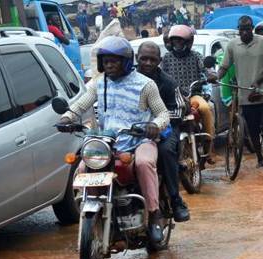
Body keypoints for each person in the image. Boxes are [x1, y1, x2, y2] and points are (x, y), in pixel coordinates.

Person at [59, 36, 189, 239]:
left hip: (139, 141)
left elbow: (163, 114)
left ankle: (154, 214)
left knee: (145, 163)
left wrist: (154, 126)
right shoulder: (98, 83)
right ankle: (91, 212)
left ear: (126, 61)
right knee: (83, 167)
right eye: (106, 61)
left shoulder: (145, 85)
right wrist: (67, 117)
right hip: (108, 143)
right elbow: (82, 103)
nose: (109, 65)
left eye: (114, 61)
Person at [135, 42, 189, 222]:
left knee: (165, 151)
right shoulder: (127, 80)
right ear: (137, 59)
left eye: (153, 59)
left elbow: (180, 110)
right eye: (144, 59)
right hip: (132, 130)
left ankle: (176, 200)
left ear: (159, 61)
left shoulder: (168, 82)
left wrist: (157, 123)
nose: (148, 63)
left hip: (166, 129)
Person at [219, 16, 263, 171]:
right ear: (238, 30)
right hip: (246, 95)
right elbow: (224, 66)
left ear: (252, 28)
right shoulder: (232, 45)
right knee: (252, 129)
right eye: (241, 29)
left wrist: (258, 81)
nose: (244, 32)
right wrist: (216, 77)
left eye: (247, 29)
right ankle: (259, 157)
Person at [161, 25, 217, 163]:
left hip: (193, 95)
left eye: (180, 41)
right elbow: (160, 74)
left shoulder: (196, 56)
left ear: (188, 42)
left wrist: (211, 75)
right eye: (175, 41)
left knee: (206, 108)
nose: (177, 44)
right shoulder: (166, 58)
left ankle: (207, 147)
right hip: (173, 97)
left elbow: (206, 70)